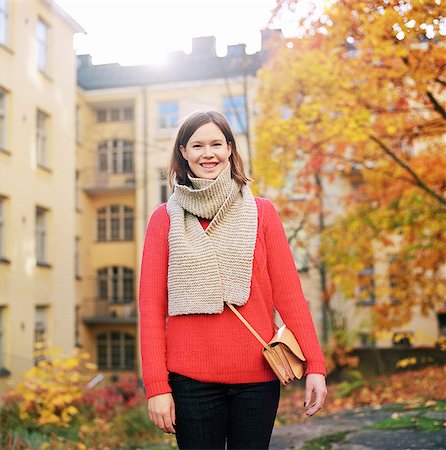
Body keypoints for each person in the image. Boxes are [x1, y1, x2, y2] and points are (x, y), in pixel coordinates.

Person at [138, 110, 327, 449]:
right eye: (197, 145)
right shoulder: (163, 220)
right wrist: (156, 387)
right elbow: (151, 309)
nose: (207, 153)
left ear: (229, 149)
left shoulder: (262, 213)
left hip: (256, 382)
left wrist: (315, 365)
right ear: (183, 152)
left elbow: (290, 296)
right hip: (190, 383)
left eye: (216, 144)